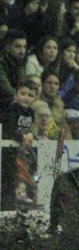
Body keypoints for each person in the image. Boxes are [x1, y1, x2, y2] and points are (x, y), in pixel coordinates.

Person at [0, 78, 37, 209]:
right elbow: (9, 128)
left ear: (35, 99)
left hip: (19, 150)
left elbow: (29, 129)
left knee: (21, 176)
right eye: (23, 94)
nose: (26, 98)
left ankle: (19, 202)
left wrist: (31, 135)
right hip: (7, 149)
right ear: (16, 95)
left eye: (30, 95)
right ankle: (6, 206)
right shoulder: (13, 109)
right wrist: (22, 136)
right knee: (8, 178)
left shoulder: (31, 112)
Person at [0, 29, 27, 105]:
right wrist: (24, 97)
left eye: (24, 47)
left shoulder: (19, 62)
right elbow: (6, 90)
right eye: (18, 46)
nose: (22, 51)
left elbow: (23, 86)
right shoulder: (1, 61)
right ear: (7, 46)